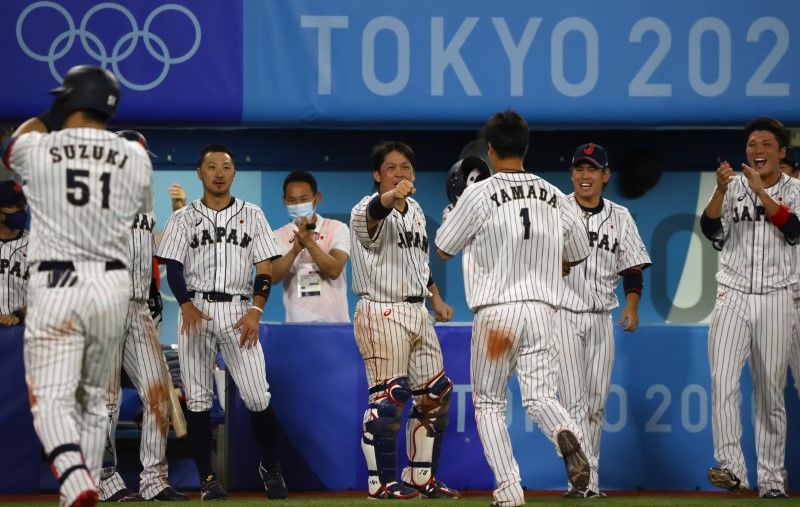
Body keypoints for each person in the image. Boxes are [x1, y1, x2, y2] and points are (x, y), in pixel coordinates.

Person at [1, 65, 152, 507]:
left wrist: (54, 111)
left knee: (50, 395)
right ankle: (80, 490)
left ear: (69, 100)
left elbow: (12, 146)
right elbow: (138, 203)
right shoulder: (135, 155)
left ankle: (73, 479)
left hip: (57, 281)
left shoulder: (41, 146)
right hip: (110, 287)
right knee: (92, 400)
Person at [435, 110, 593, 507]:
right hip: (542, 311)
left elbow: (443, 248)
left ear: (490, 149)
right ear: (526, 146)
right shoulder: (555, 194)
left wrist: (453, 215)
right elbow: (577, 251)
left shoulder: (478, 193)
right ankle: (562, 430)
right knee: (540, 396)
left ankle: (508, 491)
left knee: (489, 402)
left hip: (497, 314)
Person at [157, 144, 287, 501]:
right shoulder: (182, 218)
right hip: (195, 307)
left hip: (237, 309)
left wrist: (256, 311)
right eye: (211, 166)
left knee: (258, 396)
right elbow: (173, 267)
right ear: (199, 172)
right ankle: (207, 479)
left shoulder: (253, 214)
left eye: (225, 167)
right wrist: (184, 304)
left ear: (233, 173)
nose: (218, 172)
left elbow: (265, 268)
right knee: (197, 400)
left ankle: (270, 466)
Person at [350, 141, 459, 500]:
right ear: (377, 174)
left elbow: (421, 264)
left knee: (435, 394)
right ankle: (379, 482)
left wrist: (437, 298)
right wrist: (391, 196)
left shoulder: (415, 210)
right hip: (381, 309)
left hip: (417, 311)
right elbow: (375, 214)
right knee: (389, 399)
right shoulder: (362, 210)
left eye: (406, 168)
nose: (400, 173)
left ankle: (418, 476)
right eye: (392, 167)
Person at [700, 117, 800, 499]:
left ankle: (773, 481)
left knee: (770, 393)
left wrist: (761, 193)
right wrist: (720, 192)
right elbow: (710, 230)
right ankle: (732, 469)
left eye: (765, 144)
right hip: (733, 293)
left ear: (781, 152)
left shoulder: (795, 189)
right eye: (751, 144)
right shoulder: (733, 186)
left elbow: (793, 230)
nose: (756, 150)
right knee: (723, 381)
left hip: (777, 296)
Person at [555, 143, 652, 498]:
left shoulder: (621, 216)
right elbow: (531, 256)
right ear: (572, 174)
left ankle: (589, 482)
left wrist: (632, 305)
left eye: (592, 169)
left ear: (605, 175)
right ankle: (578, 482)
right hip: (562, 314)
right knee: (575, 402)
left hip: (601, 317)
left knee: (596, 404)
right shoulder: (555, 211)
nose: (584, 175)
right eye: (579, 168)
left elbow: (633, 268)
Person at [97, 130, 188, 502]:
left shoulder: (146, 200)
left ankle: (154, 480)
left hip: (138, 308)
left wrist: (179, 217)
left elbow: (152, 249)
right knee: (106, 400)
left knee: (158, 394)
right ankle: (104, 480)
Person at [272, 170, 350, 322]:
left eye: (303, 199)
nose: (298, 205)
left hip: (336, 327)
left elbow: (334, 270)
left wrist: (309, 243)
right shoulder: (278, 235)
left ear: (316, 198)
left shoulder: (337, 228)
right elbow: (273, 277)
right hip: (295, 327)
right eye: (292, 200)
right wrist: (295, 250)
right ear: (284, 202)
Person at [0, 180, 29, 327]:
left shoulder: (37, 246)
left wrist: (19, 316)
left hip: (20, 333)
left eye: (21, 205)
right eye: (12, 205)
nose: (20, 210)